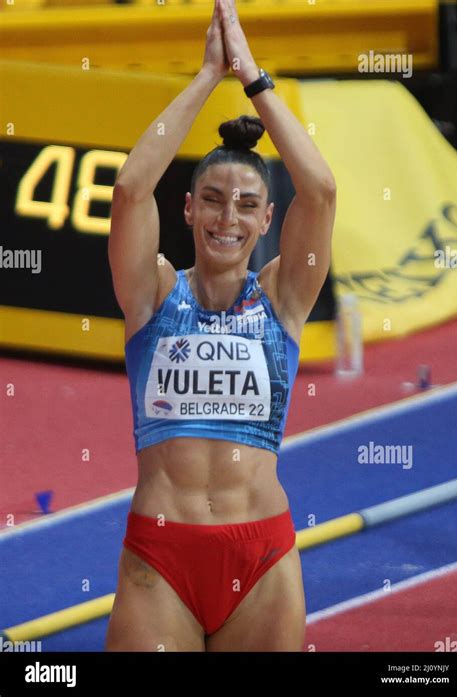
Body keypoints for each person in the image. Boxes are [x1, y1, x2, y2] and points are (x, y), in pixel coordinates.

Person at [105, 0, 336, 652]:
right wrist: (208, 75)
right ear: (187, 207)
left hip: (261, 557)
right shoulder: (150, 293)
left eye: (246, 204)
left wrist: (253, 77)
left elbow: (319, 190)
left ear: (267, 221)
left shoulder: (282, 298)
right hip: (160, 556)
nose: (226, 216)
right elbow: (128, 190)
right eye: (211, 198)